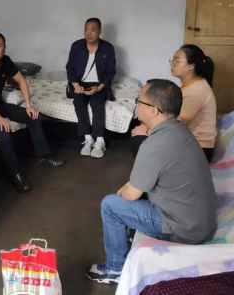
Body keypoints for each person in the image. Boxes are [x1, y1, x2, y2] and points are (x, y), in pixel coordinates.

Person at [87, 79, 217, 285]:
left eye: (139, 100)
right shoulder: (180, 130)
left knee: (110, 206)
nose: (136, 104)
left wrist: (123, 192)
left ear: (153, 110)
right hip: (202, 222)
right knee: (133, 192)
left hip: (184, 229)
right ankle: (129, 239)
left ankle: (115, 269)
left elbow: (131, 194)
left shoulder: (154, 145)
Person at [0, 32, 66, 193]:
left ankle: (44, 156)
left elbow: (21, 80)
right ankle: (16, 174)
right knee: (4, 132)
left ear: (4, 48)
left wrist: (29, 105)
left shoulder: (5, 61)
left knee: (33, 116)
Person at [131, 44, 217, 162]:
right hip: (187, 141)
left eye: (177, 61)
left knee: (139, 142)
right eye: (172, 60)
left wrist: (146, 132)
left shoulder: (197, 91)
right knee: (142, 134)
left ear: (191, 66)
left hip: (198, 149)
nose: (172, 64)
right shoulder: (190, 86)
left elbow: (175, 126)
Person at [66, 18, 116, 158]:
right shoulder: (76, 46)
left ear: (100, 31)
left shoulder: (108, 48)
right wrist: (75, 85)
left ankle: (100, 140)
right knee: (79, 104)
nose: (88, 33)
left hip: (98, 84)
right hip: (80, 84)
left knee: (97, 104)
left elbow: (110, 72)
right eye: (86, 29)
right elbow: (69, 68)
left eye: (92, 30)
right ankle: (88, 138)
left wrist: (100, 87)